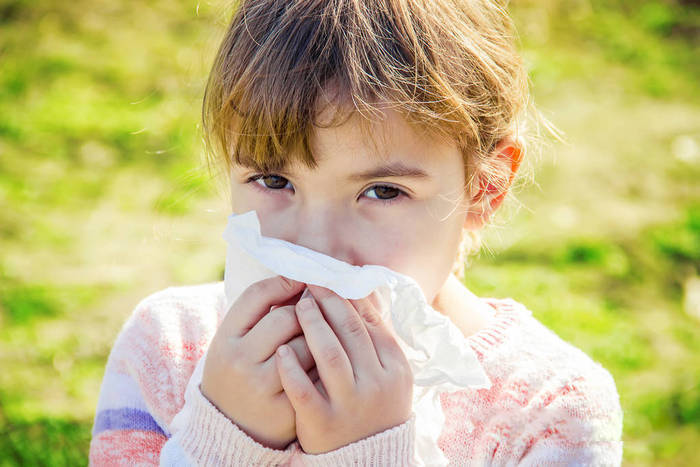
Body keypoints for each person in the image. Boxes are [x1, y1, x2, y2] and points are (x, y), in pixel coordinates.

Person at [89, 0, 623, 465]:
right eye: (273, 180)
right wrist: (224, 438)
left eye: (384, 191)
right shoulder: (169, 348)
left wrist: (369, 452)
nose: (316, 248)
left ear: (485, 187)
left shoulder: (550, 408)